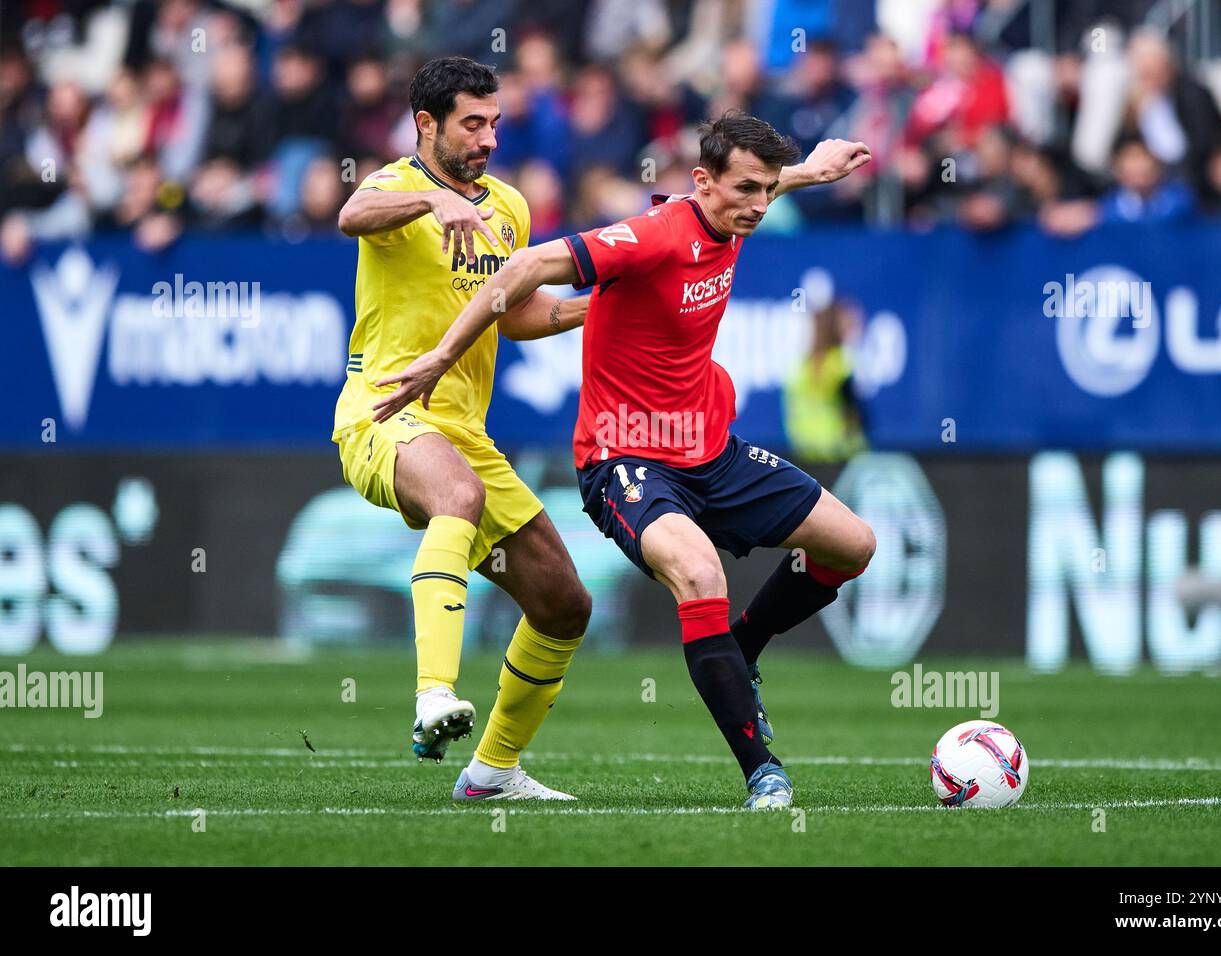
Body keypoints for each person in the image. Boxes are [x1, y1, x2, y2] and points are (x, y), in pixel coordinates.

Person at [374, 112, 877, 809]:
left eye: (767, 191)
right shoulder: (651, 235)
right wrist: (442, 354)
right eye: (746, 191)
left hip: (712, 450)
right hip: (625, 458)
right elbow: (526, 266)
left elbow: (758, 187)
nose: (759, 205)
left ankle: (744, 649)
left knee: (854, 545)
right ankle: (764, 771)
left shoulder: (736, 211)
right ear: (701, 183)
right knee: (699, 572)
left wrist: (811, 171)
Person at [334, 56, 592, 801]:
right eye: (471, 124)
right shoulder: (393, 186)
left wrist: (589, 311)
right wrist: (428, 205)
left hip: (465, 431)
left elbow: (512, 316)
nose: (486, 138)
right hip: (385, 411)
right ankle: (431, 698)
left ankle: (493, 773)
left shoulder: (508, 206)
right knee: (456, 495)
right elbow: (352, 216)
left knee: (564, 605)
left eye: (494, 124)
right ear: (427, 125)